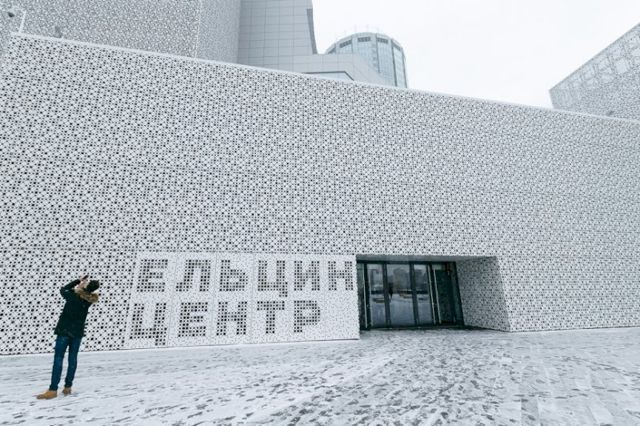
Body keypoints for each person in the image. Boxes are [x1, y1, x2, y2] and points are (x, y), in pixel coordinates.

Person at [36, 275, 100, 399]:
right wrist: (83, 285)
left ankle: (53, 389)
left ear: (85, 287)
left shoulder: (73, 296)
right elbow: (78, 292)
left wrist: (78, 281)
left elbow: (63, 289)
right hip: (77, 333)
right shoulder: (88, 301)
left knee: (58, 359)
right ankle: (68, 387)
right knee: (72, 359)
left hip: (65, 331)